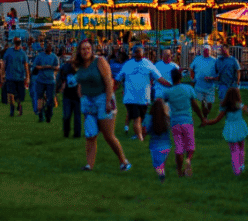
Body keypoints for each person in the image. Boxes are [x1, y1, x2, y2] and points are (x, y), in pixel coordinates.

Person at [73, 38, 130, 172]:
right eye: (83, 49)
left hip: (102, 98)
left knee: (108, 135)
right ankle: (89, 165)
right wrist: (80, 95)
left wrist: (108, 101)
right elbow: (80, 81)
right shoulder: (79, 64)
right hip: (88, 101)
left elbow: (109, 81)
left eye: (88, 48)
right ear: (79, 51)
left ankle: (123, 161)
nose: (86, 51)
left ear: (92, 50)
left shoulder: (99, 61)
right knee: (90, 135)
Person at [116, 44, 170, 141]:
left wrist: (170, 85)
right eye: (136, 51)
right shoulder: (128, 64)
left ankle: (138, 134)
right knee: (136, 118)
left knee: (141, 118)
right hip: (130, 97)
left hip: (144, 97)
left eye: (140, 51)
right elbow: (118, 78)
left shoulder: (148, 64)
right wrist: (111, 89)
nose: (138, 53)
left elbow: (159, 78)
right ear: (133, 53)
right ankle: (140, 139)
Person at [200, 87, 248, 175]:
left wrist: (206, 122)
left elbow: (216, 120)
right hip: (240, 127)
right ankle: (242, 165)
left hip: (231, 129)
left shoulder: (225, 107)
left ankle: (236, 170)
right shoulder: (239, 105)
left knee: (234, 150)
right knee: (241, 147)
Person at [164, 67, 203, 177]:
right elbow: (195, 106)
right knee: (191, 147)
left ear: (171, 78)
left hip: (175, 122)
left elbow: (163, 107)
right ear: (181, 77)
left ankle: (179, 171)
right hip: (187, 121)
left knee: (179, 148)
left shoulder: (168, 92)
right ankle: (188, 159)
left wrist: (166, 119)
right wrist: (202, 118)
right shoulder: (188, 89)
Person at [32, 43, 59, 123]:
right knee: (40, 97)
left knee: (50, 98)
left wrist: (51, 67)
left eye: (50, 47)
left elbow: (57, 67)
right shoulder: (40, 56)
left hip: (50, 81)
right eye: (47, 47)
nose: (48, 48)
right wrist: (44, 67)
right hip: (41, 80)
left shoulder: (54, 57)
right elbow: (36, 66)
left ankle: (49, 114)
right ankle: (40, 114)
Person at [2, 37, 29, 117]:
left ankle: (19, 105)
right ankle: (12, 108)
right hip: (10, 76)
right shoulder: (9, 51)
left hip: (20, 77)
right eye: (16, 42)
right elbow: (4, 63)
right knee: (10, 93)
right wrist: (3, 73)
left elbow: (26, 65)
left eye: (18, 42)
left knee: (18, 96)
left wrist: (27, 76)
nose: (17, 43)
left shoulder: (22, 53)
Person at [58, 56, 82, 138]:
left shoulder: (81, 69)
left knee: (77, 116)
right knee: (66, 115)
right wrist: (60, 87)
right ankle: (66, 133)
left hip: (77, 96)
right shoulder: (65, 68)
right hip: (67, 95)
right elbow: (61, 78)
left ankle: (77, 134)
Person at [189, 45, 217, 114]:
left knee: (209, 103)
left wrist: (212, 78)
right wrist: (192, 78)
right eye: (204, 51)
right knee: (201, 102)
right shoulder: (197, 59)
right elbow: (191, 69)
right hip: (199, 85)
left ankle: (206, 113)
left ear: (210, 51)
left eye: (207, 51)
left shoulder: (214, 60)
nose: (206, 52)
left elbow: (218, 71)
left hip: (210, 86)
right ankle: (204, 116)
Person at [148, 98, 170, 181]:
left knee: (157, 165)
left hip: (155, 147)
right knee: (162, 164)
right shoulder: (166, 118)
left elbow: (147, 129)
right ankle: (162, 174)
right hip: (167, 147)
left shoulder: (150, 118)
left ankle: (161, 176)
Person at [213, 46, 241, 113]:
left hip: (232, 84)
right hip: (222, 84)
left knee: (234, 101)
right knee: (222, 100)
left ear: (228, 50)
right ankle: (222, 113)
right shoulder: (218, 60)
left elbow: (238, 71)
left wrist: (238, 81)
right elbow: (216, 71)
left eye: (224, 49)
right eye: (221, 50)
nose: (223, 51)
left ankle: (234, 113)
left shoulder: (233, 60)